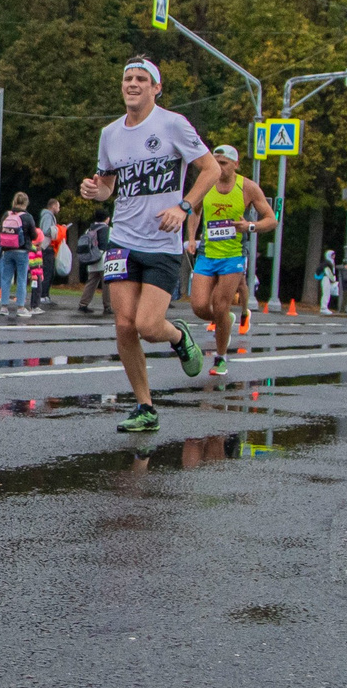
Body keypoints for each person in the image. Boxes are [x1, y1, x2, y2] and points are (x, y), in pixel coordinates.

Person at [77, 58, 218, 433]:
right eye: (128, 78)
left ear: (156, 88)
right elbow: (108, 185)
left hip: (161, 242)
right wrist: (95, 191)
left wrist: (184, 206)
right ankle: (145, 407)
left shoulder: (172, 124)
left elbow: (211, 169)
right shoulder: (110, 134)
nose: (133, 84)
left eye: (142, 79)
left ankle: (178, 335)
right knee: (124, 326)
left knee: (149, 325)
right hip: (122, 239)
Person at [186, 144, 275, 373]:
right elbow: (193, 212)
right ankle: (226, 319)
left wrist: (250, 226)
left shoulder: (247, 187)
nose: (219, 167)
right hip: (208, 253)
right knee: (198, 306)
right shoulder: (206, 183)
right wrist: (192, 239)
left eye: (224, 163)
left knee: (221, 304)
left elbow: (271, 220)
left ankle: (220, 358)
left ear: (235, 165)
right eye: (216, 162)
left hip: (233, 255)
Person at [0, 191, 36, 318]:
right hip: (22, 250)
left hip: (7, 250)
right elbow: (34, 234)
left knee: (6, 278)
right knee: (22, 279)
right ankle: (20, 307)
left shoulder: (7, 214)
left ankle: (4, 306)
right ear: (26, 203)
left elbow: (0, 229)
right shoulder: (27, 217)